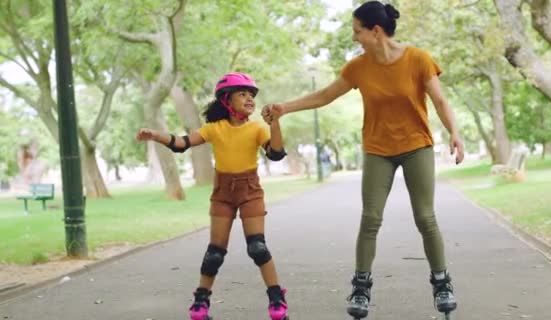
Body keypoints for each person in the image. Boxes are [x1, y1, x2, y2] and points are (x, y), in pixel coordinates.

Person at [262, 1, 464, 318]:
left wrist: (455, 132)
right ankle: (361, 287)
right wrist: (285, 108)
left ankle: (442, 283)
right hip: (377, 149)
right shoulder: (358, 67)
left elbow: (439, 99)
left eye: (358, 31)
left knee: (425, 218)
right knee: (371, 218)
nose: (355, 37)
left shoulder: (418, 59)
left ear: (376, 31)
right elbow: (324, 96)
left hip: (416, 146)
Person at [136, 72, 289, 320]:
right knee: (214, 253)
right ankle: (200, 303)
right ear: (227, 100)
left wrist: (275, 123)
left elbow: (276, 153)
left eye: (251, 94)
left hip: (250, 191)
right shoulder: (214, 129)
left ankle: (276, 297)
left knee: (258, 248)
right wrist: (155, 135)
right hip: (222, 193)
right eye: (243, 94)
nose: (249, 98)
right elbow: (181, 143)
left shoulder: (257, 128)